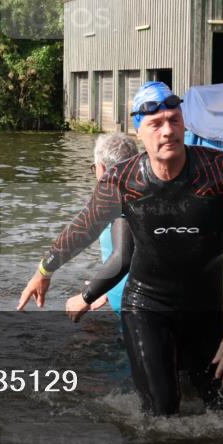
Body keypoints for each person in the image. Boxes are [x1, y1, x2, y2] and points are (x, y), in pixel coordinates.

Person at [18, 82, 223, 416]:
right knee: (162, 414)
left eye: (174, 120)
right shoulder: (123, 181)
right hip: (146, 306)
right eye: (156, 124)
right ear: (139, 131)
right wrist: (44, 270)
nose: (168, 131)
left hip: (204, 310)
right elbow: (85, 226)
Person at [69, 132, 138, 316]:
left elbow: (123, 257)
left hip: (135, 314)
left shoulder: (122, 202)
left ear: (100, 168)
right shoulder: (139, 196)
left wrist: (86, 296)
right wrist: (104, 289)